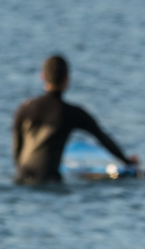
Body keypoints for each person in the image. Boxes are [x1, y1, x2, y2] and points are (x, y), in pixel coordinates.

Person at [12, 55, 138, 184]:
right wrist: (127, 161)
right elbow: (103, 138)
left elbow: (17, 151)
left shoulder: (24, 108)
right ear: (67, 79)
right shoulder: (72, 113)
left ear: (42, 76)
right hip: (48, 179)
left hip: (20, 177)